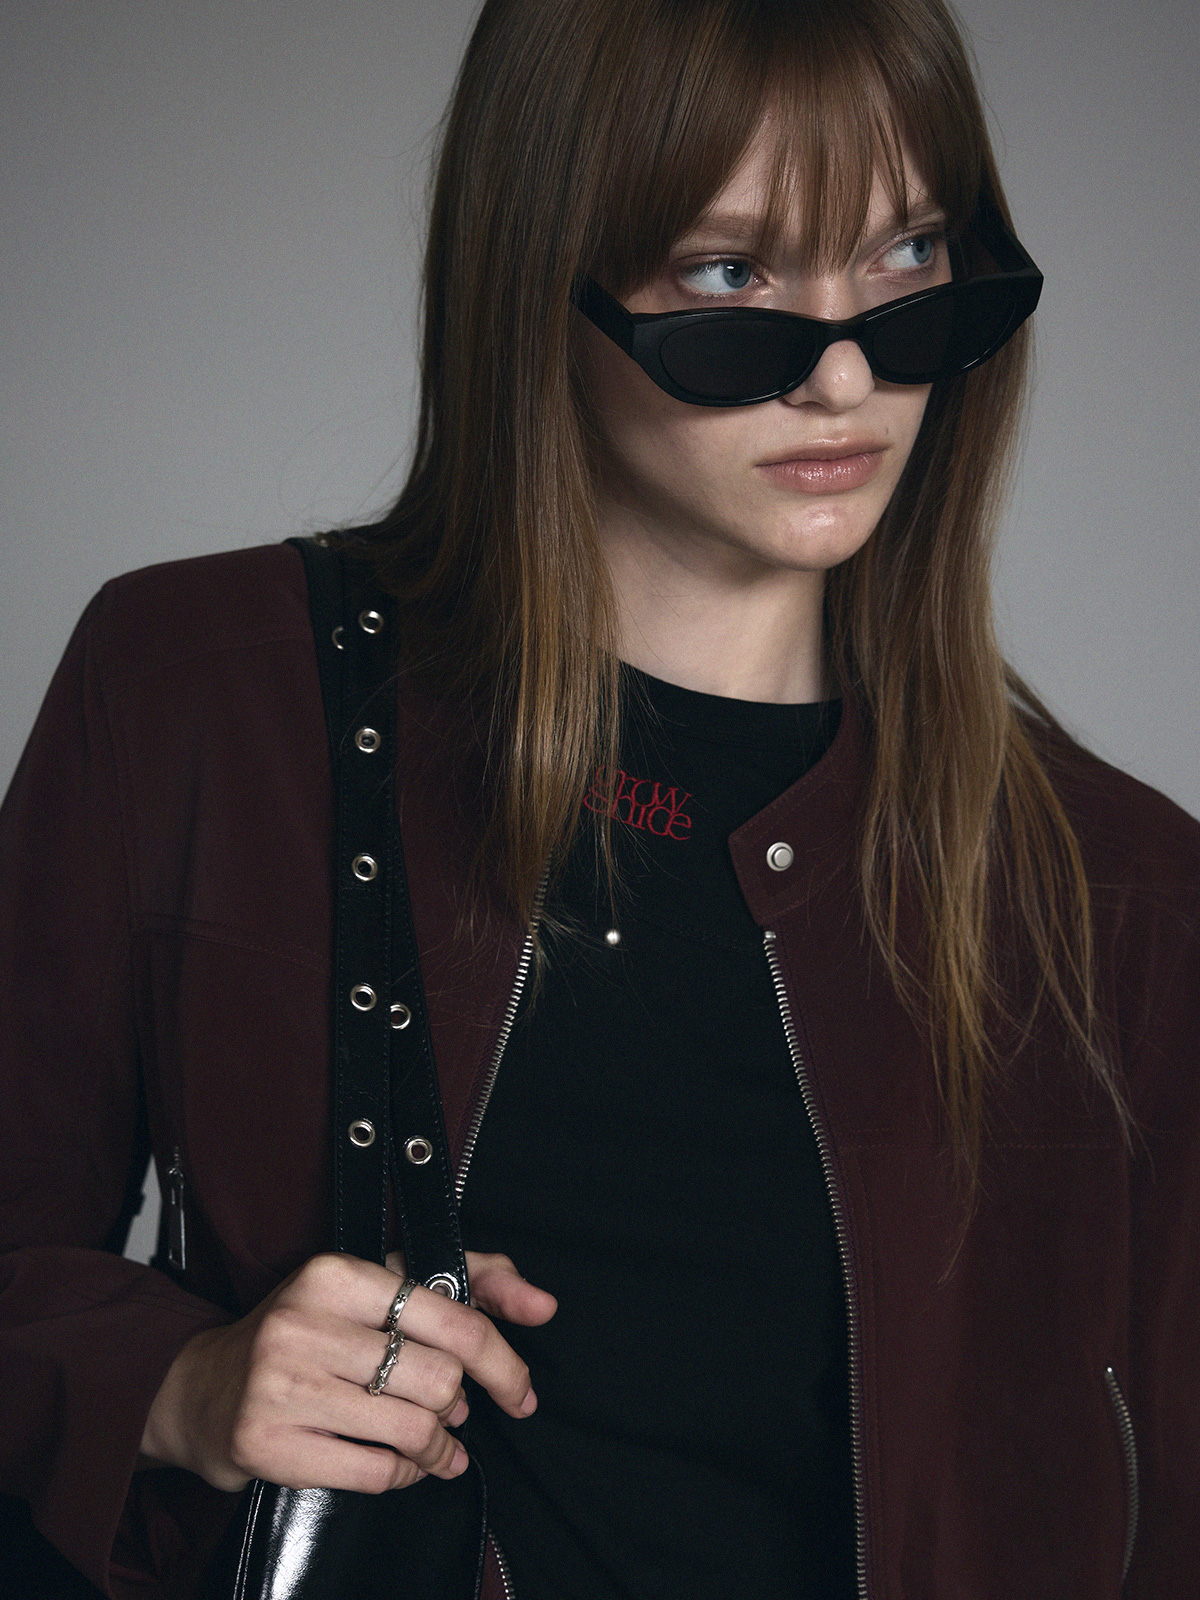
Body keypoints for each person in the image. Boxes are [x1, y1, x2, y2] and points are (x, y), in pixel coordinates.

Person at [1, 0, 1197, 1596]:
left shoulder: (1124, 897)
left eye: (909, 259)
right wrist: (173, 1383)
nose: (847, 374)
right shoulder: (203, 692)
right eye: (732, 277)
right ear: (539, 278)